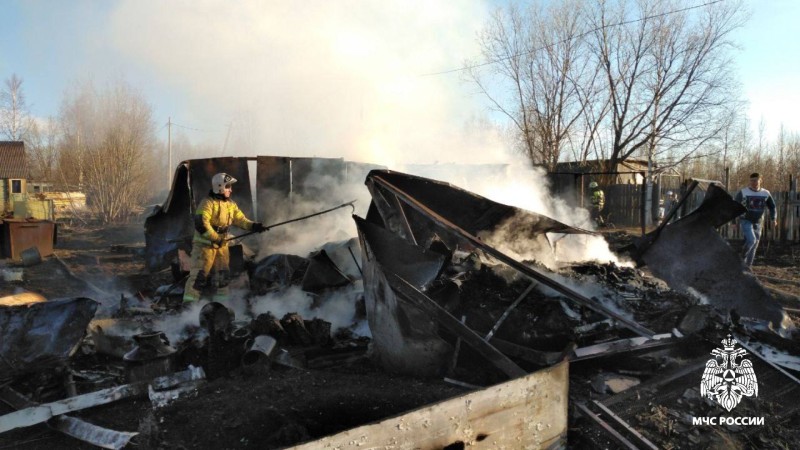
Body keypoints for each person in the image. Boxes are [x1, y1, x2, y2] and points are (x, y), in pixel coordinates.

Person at [183, 173, 267, 303]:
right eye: (228, 187)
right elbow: (201, 224)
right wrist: (216, 238)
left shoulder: (230, 205)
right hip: (204, 247)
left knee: (222, 278)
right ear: (220, 187)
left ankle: (220, 307)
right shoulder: (207, 203)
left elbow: (240, 220)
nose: (231, 190)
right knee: (198, 278)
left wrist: (254, 226)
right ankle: (188, 310)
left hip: (221, 247)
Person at [734, 172, 777, 268]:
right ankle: (741, 259)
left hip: (758, 221)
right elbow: (734, 206)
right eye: (752, 180)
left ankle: (747, 267)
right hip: (746, 219)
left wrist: (773, 218)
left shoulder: (765, 193)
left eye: (756, 180)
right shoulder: (743, 192)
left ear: (760, 180)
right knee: (752, 240)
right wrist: (733, 222)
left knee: (755, 244)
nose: (754, 182)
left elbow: (772, 207)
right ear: (749, 181)